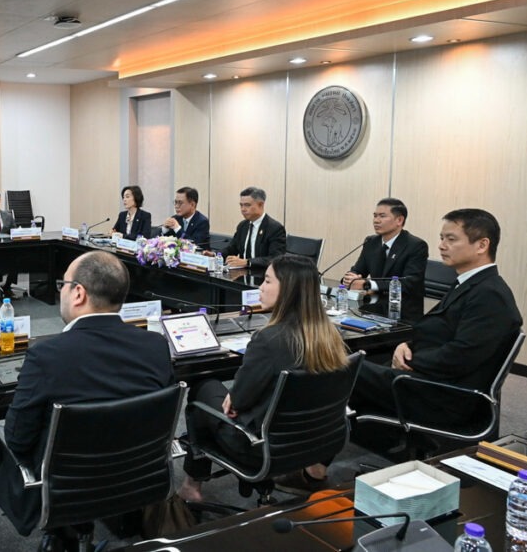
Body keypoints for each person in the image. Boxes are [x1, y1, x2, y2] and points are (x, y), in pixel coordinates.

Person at [0, 250, 174, 539]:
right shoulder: (155, 345)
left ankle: (64, 532)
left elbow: (17, 440)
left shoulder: (46, 356)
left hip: (65, 490)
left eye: (64, 285)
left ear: (78, 293)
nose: (62, 292)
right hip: (137, 478)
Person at [178, 254, 349, 502]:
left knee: (202, 389)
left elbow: (238, 403)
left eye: (267, 281)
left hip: (262, 448)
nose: (260, 287)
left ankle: (191, 486)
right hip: (319, 442)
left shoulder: (268, 340)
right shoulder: (331, 335)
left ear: (288, 290)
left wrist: (235, 397)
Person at [351, 208, 522, 431]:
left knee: (339, 369)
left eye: (451, 239)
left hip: (441, 396)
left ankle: (321, 448)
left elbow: (461, 356)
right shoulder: (469, 283)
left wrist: (412, 360)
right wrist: (406, 344)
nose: (441, 246)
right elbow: (438, 329)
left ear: (482, 245)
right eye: (442, 238)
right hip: (425, 378)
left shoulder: (490, 294)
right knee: (345, 366)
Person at [341, 198, 428, 321]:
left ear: (399, 220)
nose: (376, 220)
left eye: (382, 216)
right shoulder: (371, 242)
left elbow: (409, 283)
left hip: (402, 315)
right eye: (375, 216)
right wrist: (350, 279)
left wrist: (367, 284)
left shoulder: (415, 245)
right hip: (372, 309)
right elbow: (358, 271)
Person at [218, 186, 286, 269]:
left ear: (261, 205)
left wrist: (248, 262)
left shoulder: (274, 228)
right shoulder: (242, 226)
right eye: (241, 205)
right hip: (242, 272)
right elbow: (232, 249)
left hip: (262, 273)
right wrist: (216, 255)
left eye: (247, 205)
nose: (243, 209)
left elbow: (275, 258)